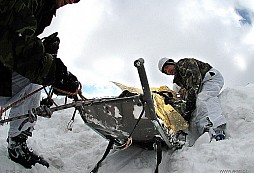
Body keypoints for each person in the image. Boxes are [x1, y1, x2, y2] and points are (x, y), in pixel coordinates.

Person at [0, 0, 80, 168]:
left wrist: (45, 53)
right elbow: (14, 41)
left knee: (36, 77)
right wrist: (55, 71)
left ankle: (17, 142)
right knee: (38, 75)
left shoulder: (44, 6)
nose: (72, 1)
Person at [158, 57, 227, 145]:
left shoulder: (183, 64)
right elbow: (189, 93)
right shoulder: (179, 79)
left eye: (167, 67)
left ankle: (217, 128)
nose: (168, 71)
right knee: (198, 107)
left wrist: (188, 109)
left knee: (204, 98)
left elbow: (194, 83)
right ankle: (207, 130)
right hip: (202, 84)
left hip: (210, 78)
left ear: (171, 62)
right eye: (165, 71)